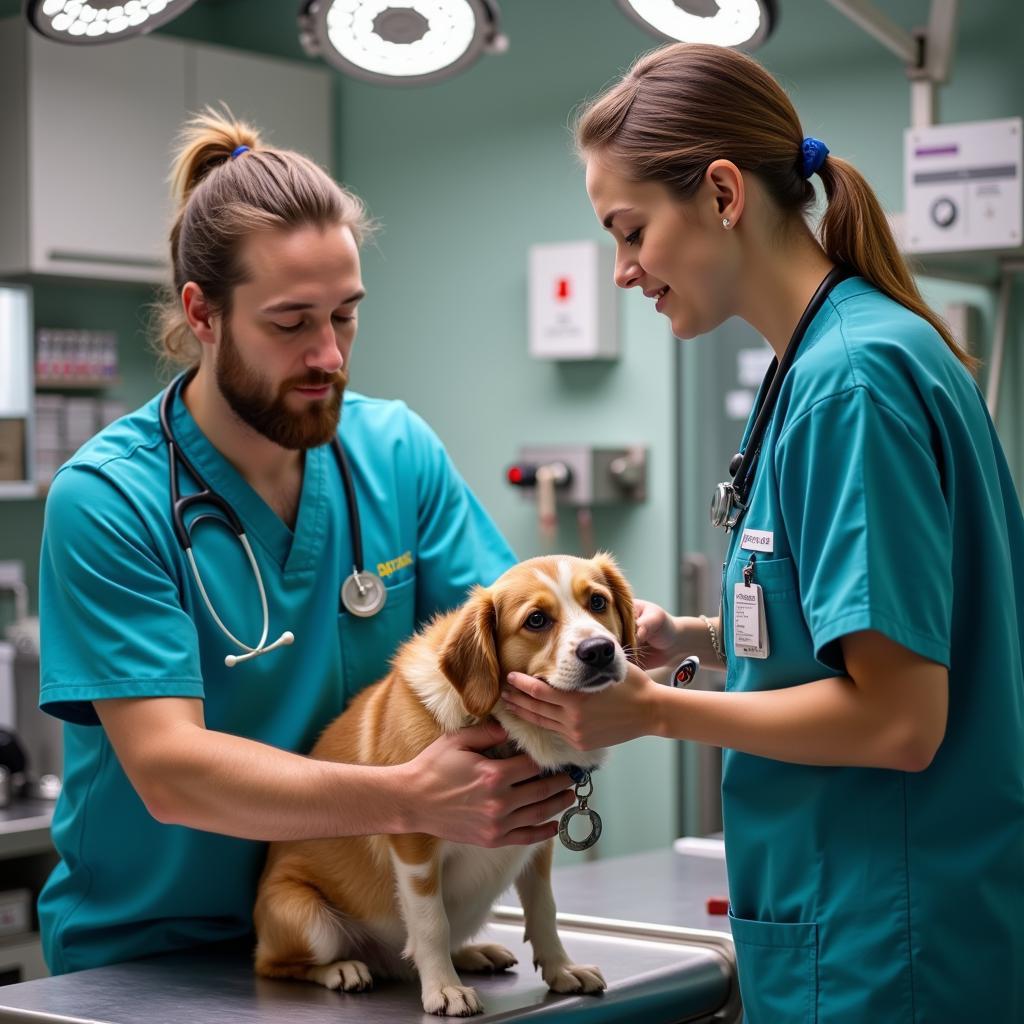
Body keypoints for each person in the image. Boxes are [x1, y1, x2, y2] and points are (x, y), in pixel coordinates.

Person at [501, 43, 1024, 1023]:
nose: (620, 271)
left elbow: (899, 721)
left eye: (629, 231)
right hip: (871, 929)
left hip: (886, 947)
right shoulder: (839, 359)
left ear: (722, 194)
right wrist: (694, 639)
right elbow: (858, 626)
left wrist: (653, 712)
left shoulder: (849, 384)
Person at [37, 110, 576, 975]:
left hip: (369, 939)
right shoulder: (109, 500)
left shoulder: (396, 453)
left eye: (346, 316)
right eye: (291, 323)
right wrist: (408, 798)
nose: (329, 353)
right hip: (151, 958)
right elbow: (170, 770)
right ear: (201, 314)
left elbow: (517, 648)